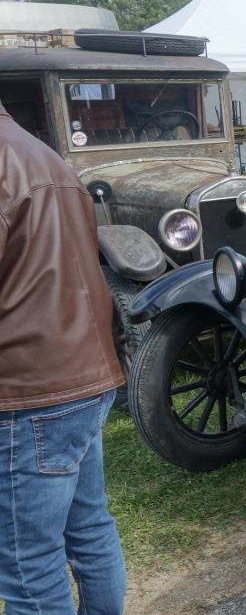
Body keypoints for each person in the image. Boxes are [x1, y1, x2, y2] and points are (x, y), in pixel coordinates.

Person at [0, 101, 126, 612]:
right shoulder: (42, 153)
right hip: (81, 376)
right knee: (89, 529)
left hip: (30, 388)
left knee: (28, 565)